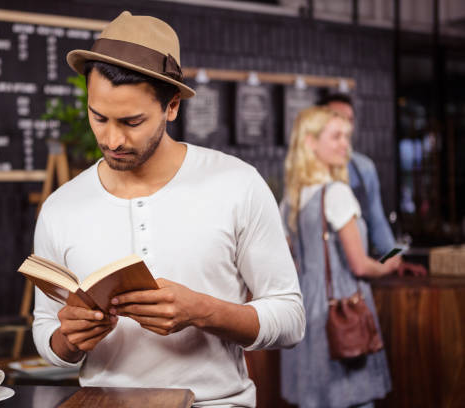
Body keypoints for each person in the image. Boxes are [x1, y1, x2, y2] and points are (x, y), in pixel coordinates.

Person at [31, 11, 305, 407]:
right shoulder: (61, 207)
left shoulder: (237, 184)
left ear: (172, 105)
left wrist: (202, 311)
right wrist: (68, 340)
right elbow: (47, 335)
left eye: (131, 121)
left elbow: (291, 320)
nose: (111, 139)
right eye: (98, 117)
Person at [280, 106, 397, 408]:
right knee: (353, 398)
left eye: (346, 136)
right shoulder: (336, 194)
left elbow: (288, 259)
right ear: (309, 142)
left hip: (305, 305)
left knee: (317, 398)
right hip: (340, 304)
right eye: (336, 136)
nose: (345, 144)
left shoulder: (292, 198)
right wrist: (390, 263)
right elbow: (360, 264)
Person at [317, 93, 426, 276]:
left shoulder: (364, 168)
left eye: (349, 120)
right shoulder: (306, 177)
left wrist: (396, 260)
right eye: (338, 119)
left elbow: (378, 222)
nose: (346, 126)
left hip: (355, 278)